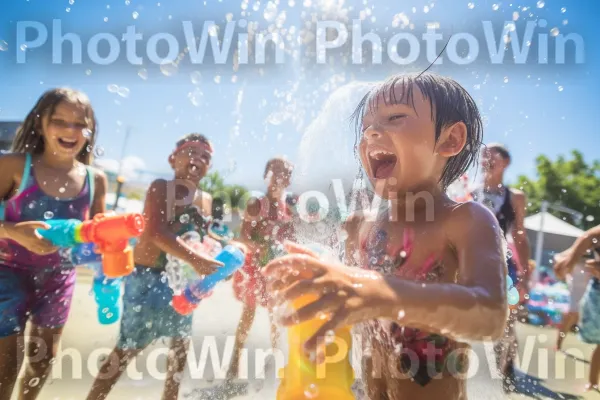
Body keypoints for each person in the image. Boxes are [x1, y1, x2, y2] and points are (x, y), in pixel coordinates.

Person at [262, 73, 508, 400]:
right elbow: (350, 303)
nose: (372, 132)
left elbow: (490, 314)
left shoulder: (465, 220)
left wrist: (380, 292)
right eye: (365, 127)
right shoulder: (362, 227)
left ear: (450, 139)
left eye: (395, 118)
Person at [86, 133, 223, 400]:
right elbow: (158, 233)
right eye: (191, 152)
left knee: (180, 348)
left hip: (182, 280)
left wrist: (225, 254)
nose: (198, 159)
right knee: (128, 347)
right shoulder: (161, 187)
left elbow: (206, 237)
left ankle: (169, 397)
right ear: (173, 159)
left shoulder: (205, 199)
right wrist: (198, 260)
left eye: (205, 156)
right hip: (147, 277)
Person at [0, 88, 107, 400]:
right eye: (59, 121)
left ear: (90, 130)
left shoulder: (94, 180)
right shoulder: (14, 166)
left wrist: (110, 241)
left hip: (59, 279)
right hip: (8, 272)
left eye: (79, 123)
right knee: (6, 363)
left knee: (43, 361)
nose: (70, 131)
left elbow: (94, 237)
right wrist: (13, 232)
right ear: (40, 123)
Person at [227, 157, 295, 382]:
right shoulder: (256, 203)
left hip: (275, 269)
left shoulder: (288, 209)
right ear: (266, 175)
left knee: (276, 318)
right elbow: (244, 235)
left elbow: (291, 241)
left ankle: (276, 367)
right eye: (274, 171)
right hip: (255, 267)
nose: (279, 176)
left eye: (284, 172)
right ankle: (234, 366)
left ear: (290, 178)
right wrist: (260, 246)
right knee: (248, 313)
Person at [472, 143, 530, 390]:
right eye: (483, 154)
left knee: (508, 319)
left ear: (505, 162)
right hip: (472, 261)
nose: (485, 157)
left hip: (503, 264)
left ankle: (507, 369)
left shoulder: (515, 196)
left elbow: (519, 234)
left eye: (491, 154)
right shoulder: (470, 192)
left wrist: (525, 275)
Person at [554, 224, 600, 391]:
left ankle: (593, 382)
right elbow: (586, 237)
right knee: (572, 314)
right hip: (596, 290)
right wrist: (569, 261)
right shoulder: (594, 236)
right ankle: (593, 382)